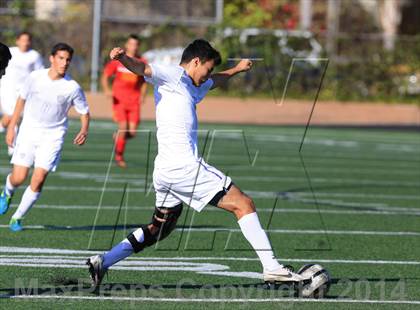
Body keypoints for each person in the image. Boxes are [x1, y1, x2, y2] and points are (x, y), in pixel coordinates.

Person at [87, 39, 306, 286]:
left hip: (165, 171)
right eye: (208, 69)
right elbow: (142, 69)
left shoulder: (194, 85)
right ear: (195, 62)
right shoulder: (172, 75)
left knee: (160, 229)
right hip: (185, 168)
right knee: (243, 204)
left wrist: (237, 70)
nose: (208, 75)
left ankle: (102, 262)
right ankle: (272, 267)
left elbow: (215, 81)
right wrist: (122, 58)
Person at [0, 43, 90, 232]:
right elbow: (20, 101)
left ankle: (17, 218)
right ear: (51, 58)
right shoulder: (35, 77)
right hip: (28, 132)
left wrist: (84, 129)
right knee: (19, 177)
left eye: (68, 60)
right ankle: (8, 191)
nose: (64, 63)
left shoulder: (72, 87)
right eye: (61, 58)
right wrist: (11, 128)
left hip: (53, 136)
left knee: (39, 178)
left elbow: (84, 112)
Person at [101, 34, 147, 168]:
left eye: (136, 44)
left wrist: (143, 95)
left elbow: (144, 80)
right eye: (131, 44)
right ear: (127, 45)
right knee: (123, 127)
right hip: (119, 100)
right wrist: (107, 90)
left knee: (131, 132)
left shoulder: (141, 61)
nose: (133, 47)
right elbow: (105, 76)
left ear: (138, 46)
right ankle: (119, 156)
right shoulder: (118, 60)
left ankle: (118, 137)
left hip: (134, 101)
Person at [0, 32, 44, 155]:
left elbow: (39, 74)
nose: (25, 43)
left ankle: (8, 137)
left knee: (12, 118)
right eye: (23, 40)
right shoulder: (10, 52)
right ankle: (12, 147)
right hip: (7, 90)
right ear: (17, 41)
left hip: (24, 92)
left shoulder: (34, 56)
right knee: (13, 116)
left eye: (27, 40)